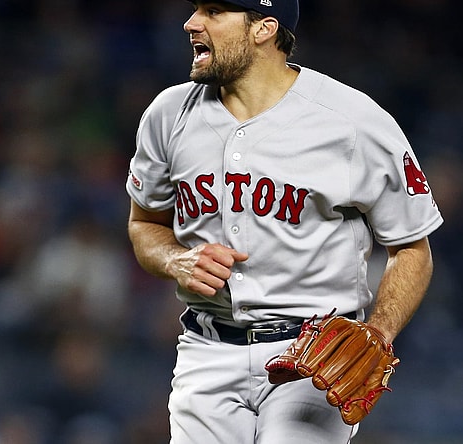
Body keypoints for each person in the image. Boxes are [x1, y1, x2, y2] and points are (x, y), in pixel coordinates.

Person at [125, 1, 443, 442]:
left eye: (215, 11)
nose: (191, 23)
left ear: (264, 29)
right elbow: (144, 224)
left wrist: (379, 331)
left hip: (311, 356)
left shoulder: (353, 122)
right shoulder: (167, 114)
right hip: (205, 351)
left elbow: (412, 247)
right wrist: (176, 260)